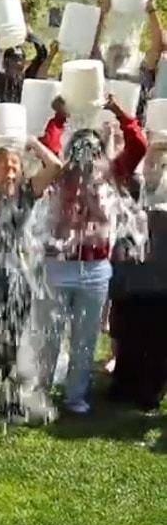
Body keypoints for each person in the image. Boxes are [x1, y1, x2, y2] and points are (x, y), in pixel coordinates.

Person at [20, 94, 147, 418]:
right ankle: (40, 392)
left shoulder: (112, 175)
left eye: (93, 150)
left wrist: (119, 110)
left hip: (94, 267)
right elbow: (48, 147)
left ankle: (76, 396)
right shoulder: (60, 176)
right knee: (48, 334)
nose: (87, 157)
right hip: (57, 263)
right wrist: (60, 119)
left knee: (85, 336)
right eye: (81, 150)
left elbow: (138, 147)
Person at [0, 133, 62, 421]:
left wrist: (31, 143)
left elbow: (54, 165)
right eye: (4, 165)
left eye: (15, 165)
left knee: (10, 342)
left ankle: (8, 399)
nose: (11, 170)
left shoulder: (27, 195)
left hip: (16, 278)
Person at [108, 128, 167, 410]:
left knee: (157, 339)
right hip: (135, 276)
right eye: (153, 160)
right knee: (130, 333)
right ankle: (124, 383)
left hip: (160, 279)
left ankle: (150, 390)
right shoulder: (134, 185)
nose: (157, 166)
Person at [0, 28, 48, 103]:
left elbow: (42, 55)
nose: (19, 62)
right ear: (6, 62)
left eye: (22, 58)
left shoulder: (25, 82)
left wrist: (30, 36)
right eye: (15, 59)